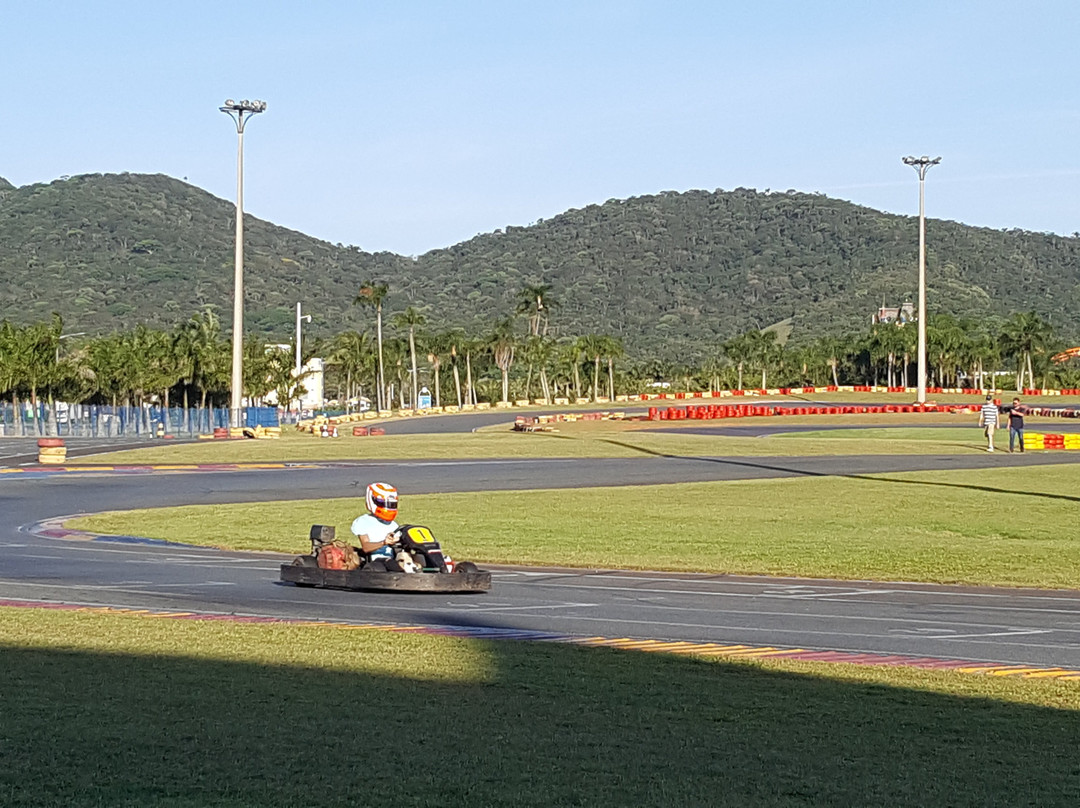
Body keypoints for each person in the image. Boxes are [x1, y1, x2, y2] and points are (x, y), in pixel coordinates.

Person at [351, 482, 400, 563]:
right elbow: (365, 547)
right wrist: (384, 543)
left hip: (394, 560)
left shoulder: (393, 525)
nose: (388, 506)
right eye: (383, 503)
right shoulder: (363, 521)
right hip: (376, 562)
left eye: (392, 504)